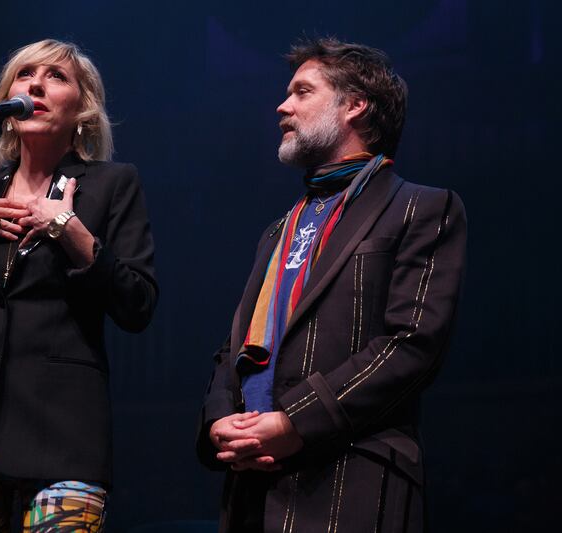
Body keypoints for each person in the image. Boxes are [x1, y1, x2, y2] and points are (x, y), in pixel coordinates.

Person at [196, 37, 466, 532]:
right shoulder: (279, 229)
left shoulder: (422, 208)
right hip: (251, 485)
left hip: (351, 479)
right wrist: (218, 420)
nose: (283, 105)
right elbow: (233, 346)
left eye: (302, 92)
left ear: (355, 106)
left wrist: (296, 421)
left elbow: (411, 345)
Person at [0, 39, 158, 532]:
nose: (36, 83)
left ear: (82, 109)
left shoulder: (111, 185)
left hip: (61, 439)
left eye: (56, 77)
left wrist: (72, 231)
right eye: (24, 75)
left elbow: (138, 303)